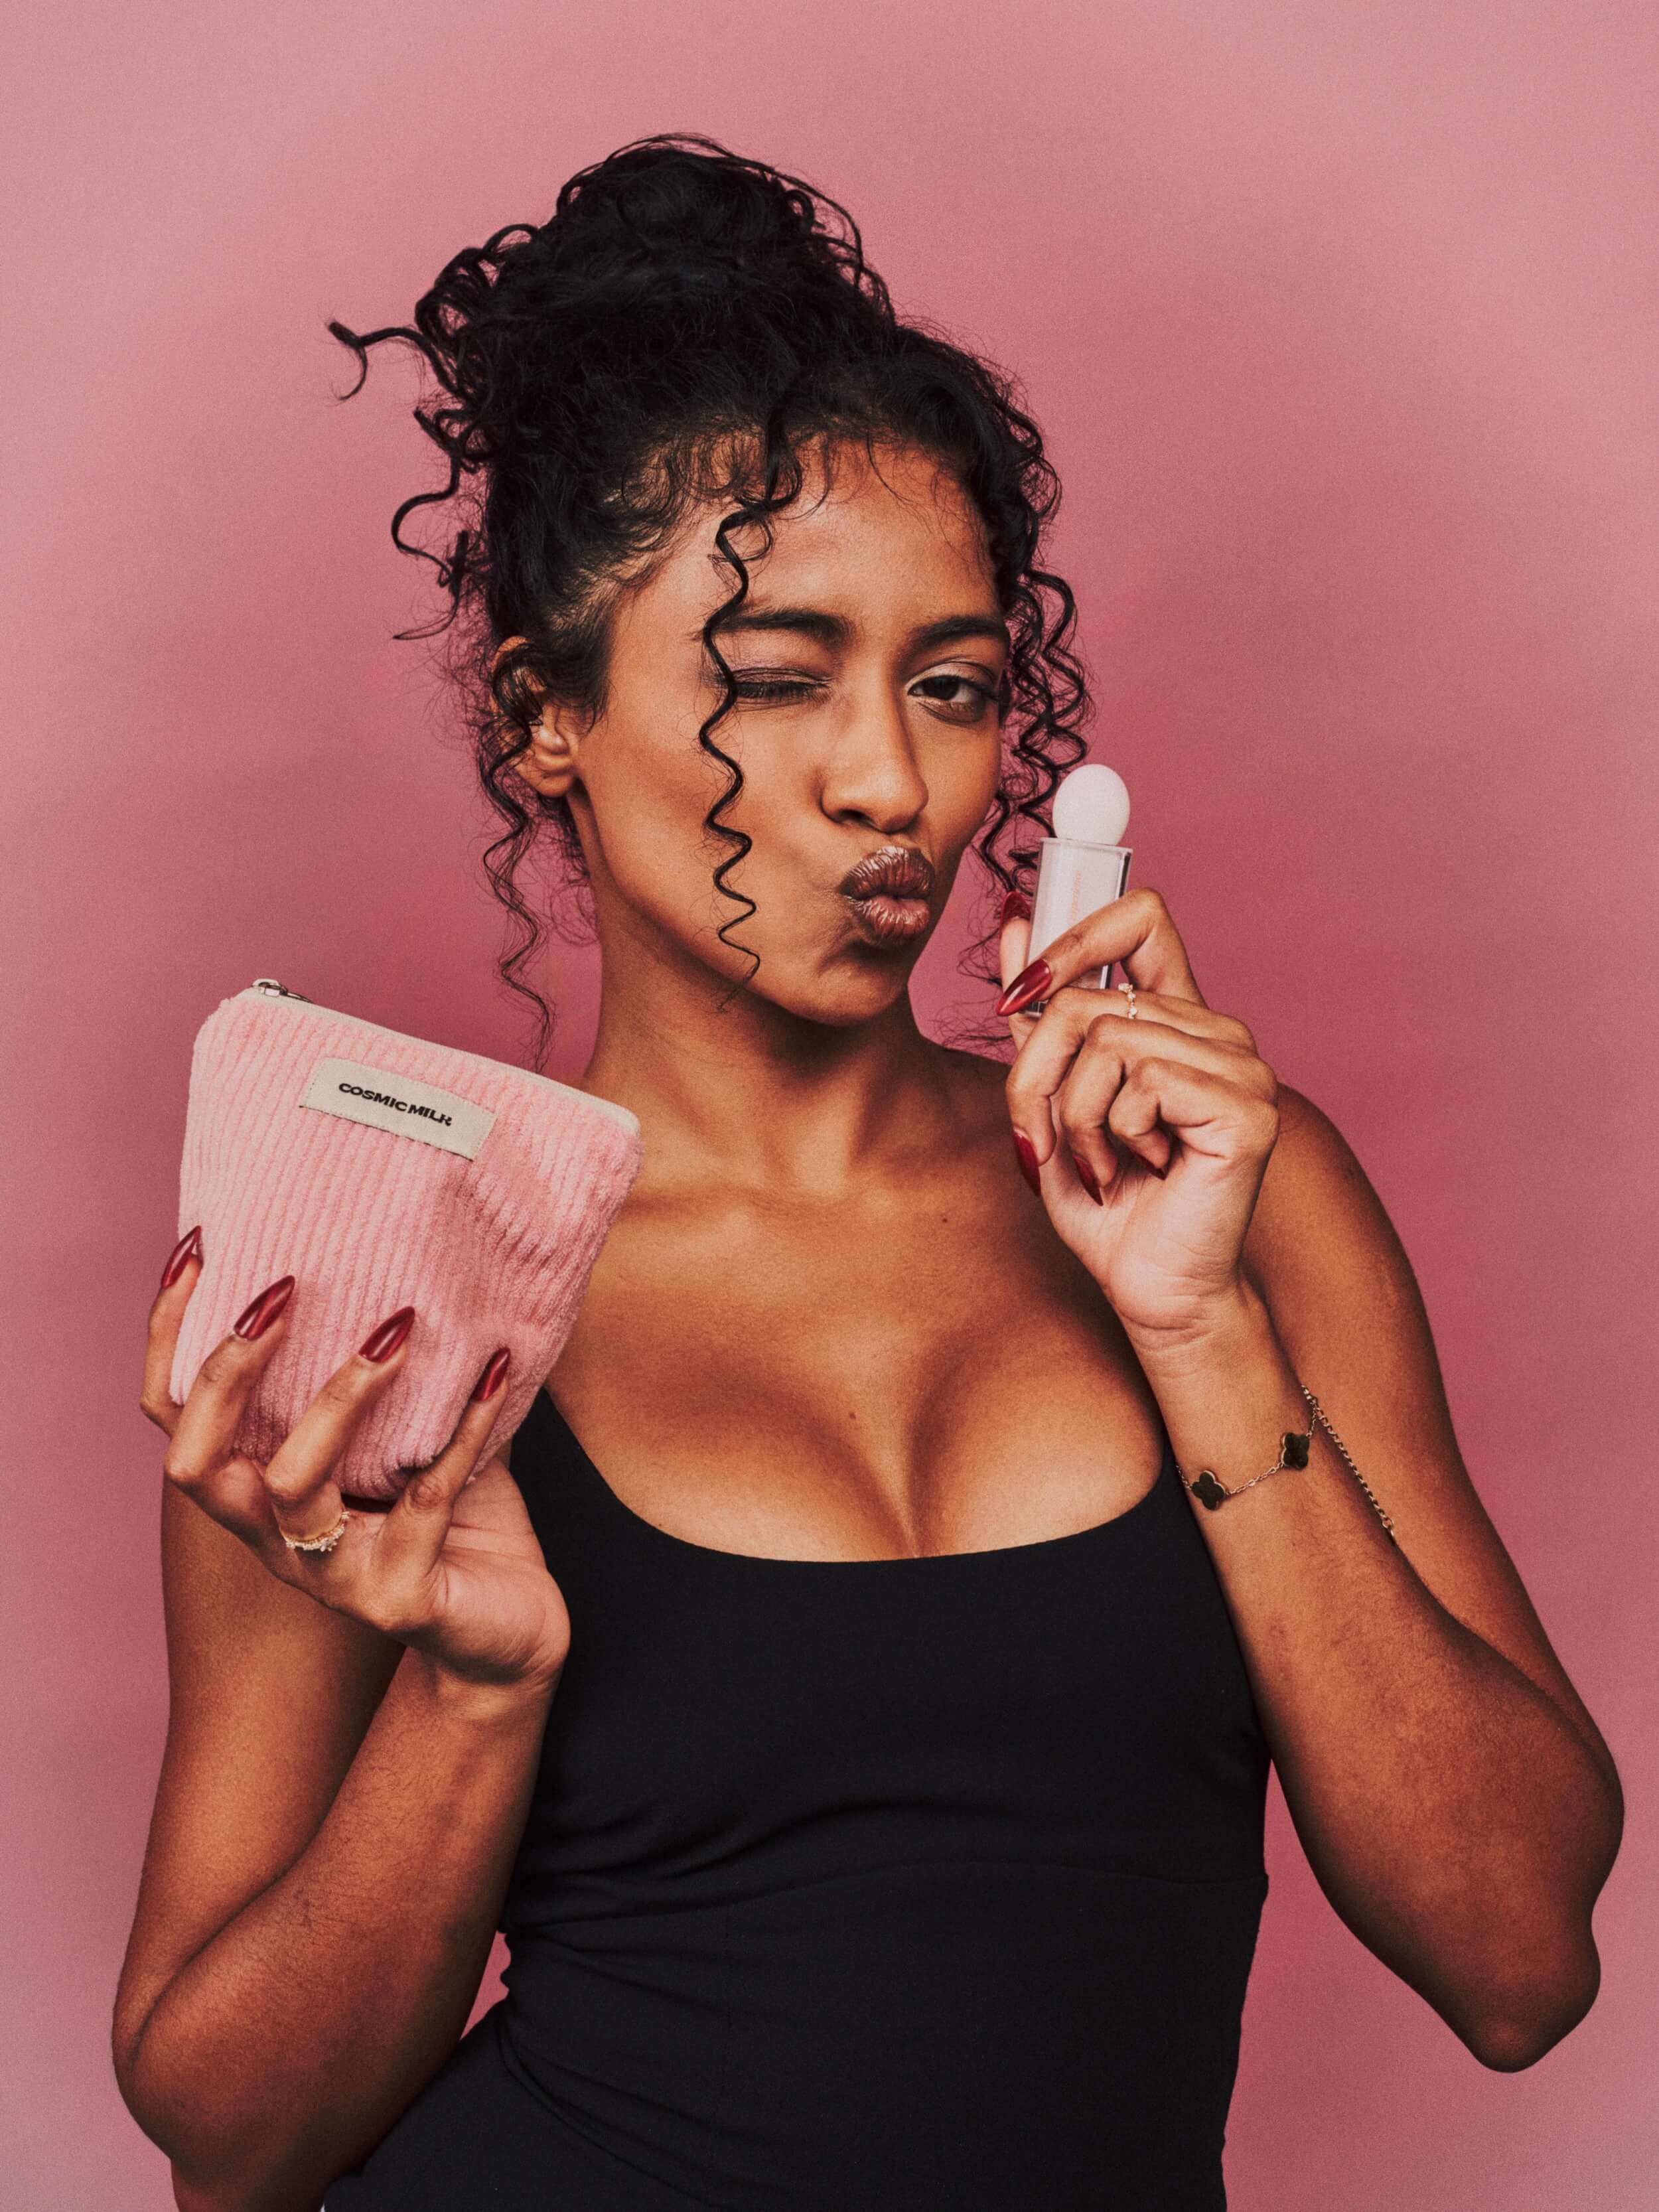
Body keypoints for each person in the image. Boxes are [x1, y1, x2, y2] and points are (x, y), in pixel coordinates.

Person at [113, 135, 1622, 2212]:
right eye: (773, 676)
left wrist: (1196, 1332)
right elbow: (228, 2150)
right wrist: (473, 1696)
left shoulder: (1224, 1202)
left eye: (953, 688)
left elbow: (1516, 1957)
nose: (887, 783)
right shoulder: (396, 1280)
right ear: (545, 712)